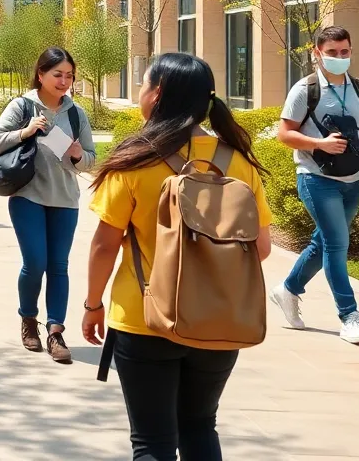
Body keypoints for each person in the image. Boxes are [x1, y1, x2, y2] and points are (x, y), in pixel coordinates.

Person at [82, 52, 273, 460]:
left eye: (143, 85)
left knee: (152, 441)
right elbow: (262, 247)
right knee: (201, 425)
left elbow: (104, 246)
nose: (139, 93)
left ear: (157, 95)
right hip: (219, 320)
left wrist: (92, 304)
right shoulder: (238, 162)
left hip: (144, 317)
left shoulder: (135, 161)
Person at [269, 26, 359, 345]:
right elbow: (284, 134)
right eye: (332, 52)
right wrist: (318, 143)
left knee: (324, 242)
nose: (339, 57)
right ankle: (349, 317)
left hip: (353, 179)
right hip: (315, 178)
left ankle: (288, 290)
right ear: (317, 53)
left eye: (344, 52)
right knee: (337, 244)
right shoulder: (304, 89)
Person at [0, 47, 95, 364]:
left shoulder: (76, 114)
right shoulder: (22, 105)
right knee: (35, 263)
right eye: (57, 75)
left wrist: (77, 154)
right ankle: (28, 319)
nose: (64, 81)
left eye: (69, 76)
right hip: (27, 196)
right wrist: (26, 131)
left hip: (65, 199)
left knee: (59, 266)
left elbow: (89, 160)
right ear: (41, 75)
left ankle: (56, 331)